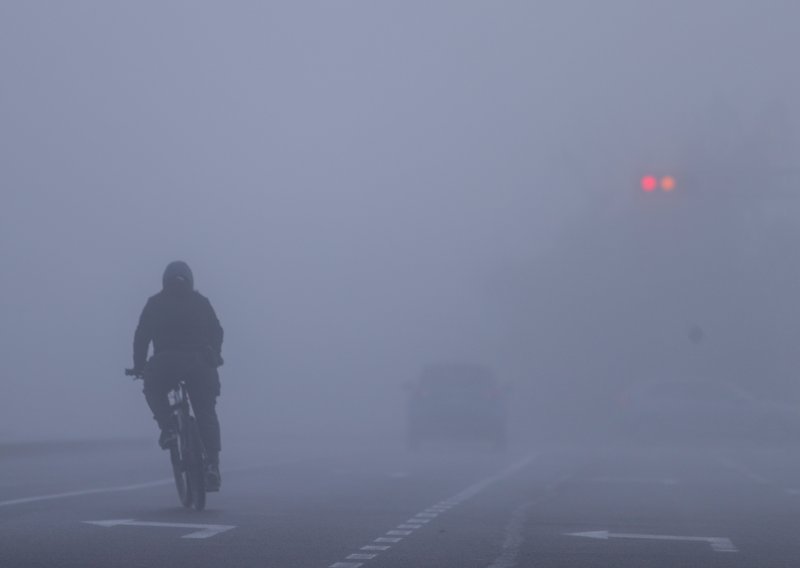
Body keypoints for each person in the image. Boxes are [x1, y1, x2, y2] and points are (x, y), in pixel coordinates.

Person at [131, 261, 224, 490]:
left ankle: (169, 428)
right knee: (205, 411)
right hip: (201, 363)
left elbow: (141, 336)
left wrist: (139, 366)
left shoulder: (155, 303)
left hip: (166, 364)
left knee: (152, 387)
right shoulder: (201, 302)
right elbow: (217, 331)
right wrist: (215, 354)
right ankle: (212, 464)